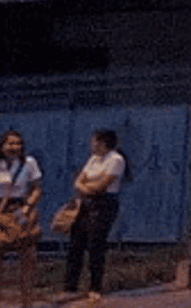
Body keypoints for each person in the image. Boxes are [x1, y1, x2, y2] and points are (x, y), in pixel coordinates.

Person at [0, 129, 42, 308]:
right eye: (10, 143)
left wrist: (29, 206)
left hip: (20, 209)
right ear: (2, 146)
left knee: (29, 255)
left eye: (18, 143)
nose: (14, 147)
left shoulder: (29, 163)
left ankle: (27, 302)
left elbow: (36, 188)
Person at [62, 128, 127, 302]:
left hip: (104, 204)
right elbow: (78, 181)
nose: (91, 145)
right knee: (76, 241)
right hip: (86, 203)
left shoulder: (115, 159)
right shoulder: (94, 159)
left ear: (102, 142)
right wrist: (88, 187)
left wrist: (89, 187)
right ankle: (70, 286)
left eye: (94, 141)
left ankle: (95, 286)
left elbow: (102, 186)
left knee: (95, 244)